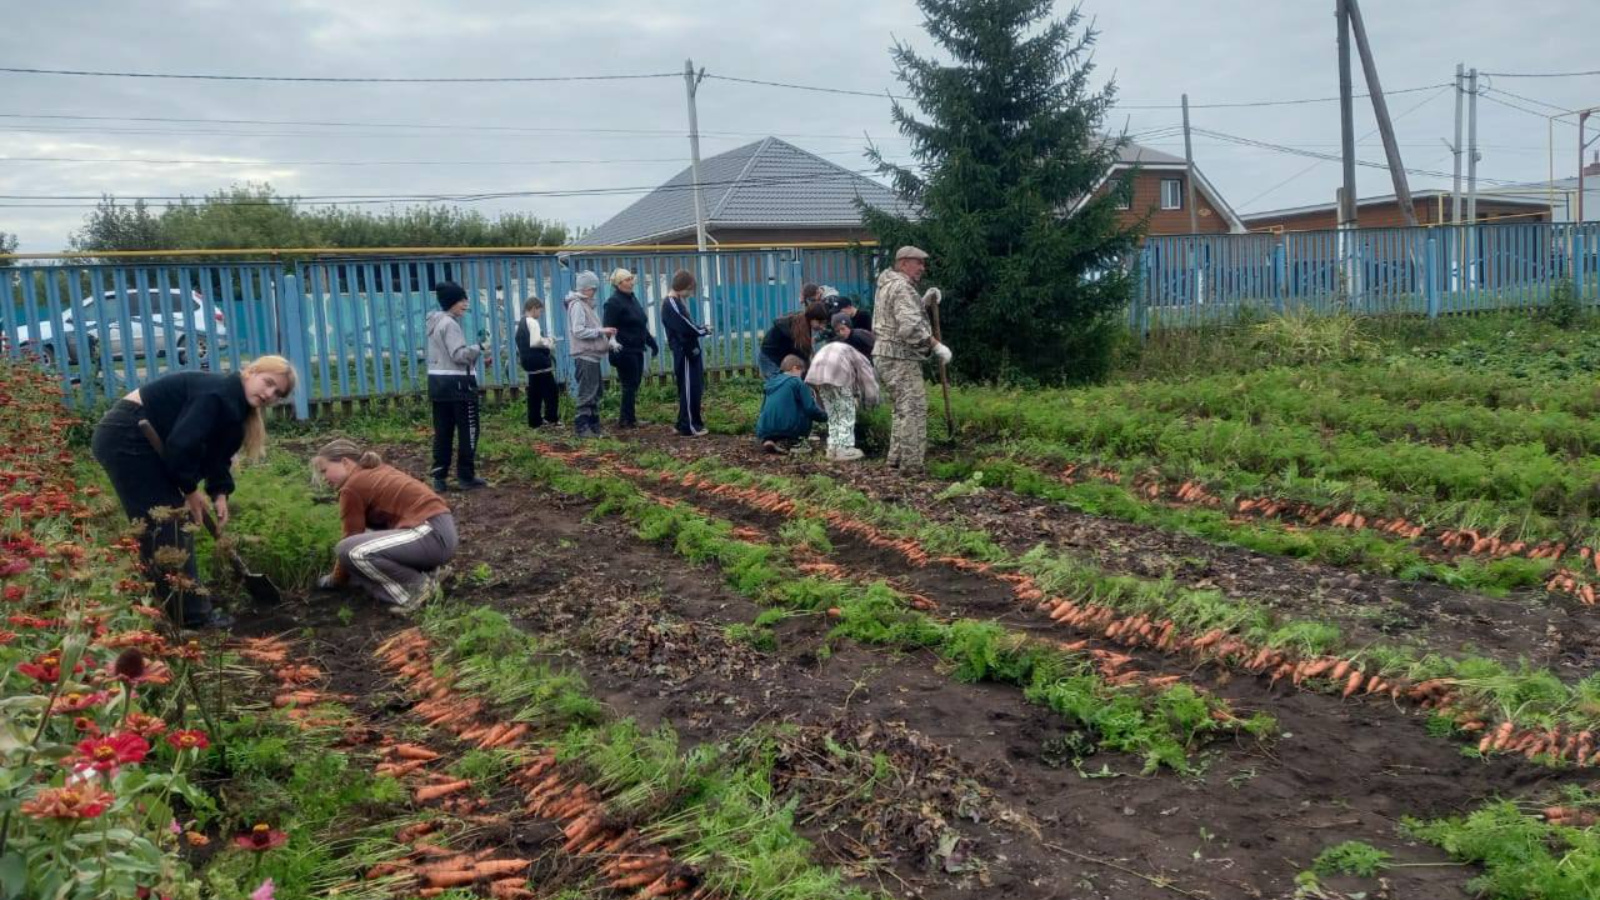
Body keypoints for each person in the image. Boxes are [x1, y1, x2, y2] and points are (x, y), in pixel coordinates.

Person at [90, 356, 297, 630]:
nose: (269, 394)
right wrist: (190, 490)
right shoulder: (218, 393)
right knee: (167, 523)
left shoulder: (235, 407)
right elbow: (182, 444)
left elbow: (217, 455)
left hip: (139, 436)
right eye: (268, 383)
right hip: (127, 434)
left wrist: (219, 492)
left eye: (277, 393)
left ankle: (166, 606)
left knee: (165, 523)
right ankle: (192, 616)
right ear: (251, 372)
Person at [311, 440, 457, 617]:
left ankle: (415, 588)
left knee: (348, 550)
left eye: (324, 470)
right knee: (366, 541)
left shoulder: (352, 486)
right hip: (440, 532)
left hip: (429, 535)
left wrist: (335, 580)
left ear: (345, 462)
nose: (324, 478)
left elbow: (350, 538)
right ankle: (430, 574)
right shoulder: (376, 471)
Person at [873, 246, 951, 473]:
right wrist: (936, 346)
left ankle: (896, 459)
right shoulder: (902, 288)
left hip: (885, 354)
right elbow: (909, 328)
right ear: (904, 263)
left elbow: (898, 315)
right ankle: (911, 465)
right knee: (913, 410)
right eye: (918, 263)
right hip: (900, 357)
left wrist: (923, 302)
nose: (922, 268)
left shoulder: (888, 285)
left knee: (901, 409)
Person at [426, 281, 488, 492]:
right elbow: (459, 355)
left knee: (443, 432)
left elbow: (445, 356)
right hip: (459, 386)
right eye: (462, 300)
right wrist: (479, 347)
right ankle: (465, 476)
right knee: (468, 430)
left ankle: (439, 477)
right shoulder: (450, 324)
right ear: (451, 301)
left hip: (438, 384)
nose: (465, 304)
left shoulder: (434, 322)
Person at [805, 319, 879, 462]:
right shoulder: (859, 356)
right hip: (838, 376)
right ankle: (845, 449)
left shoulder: (835, 346)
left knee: (833, 414)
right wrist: (872, 401)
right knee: (846, 412)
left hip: (817, 376)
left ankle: (832, 448)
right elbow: (868, 381)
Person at [602, 268, 658, 429]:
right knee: (629, 384)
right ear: (618, 284)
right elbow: (608, 327)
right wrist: (613, 345)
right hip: (623, 350)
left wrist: (651, 342)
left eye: (631, 279)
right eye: (627, 280)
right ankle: (626, 420)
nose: (631, 282)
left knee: (634, 383)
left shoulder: (632, 299)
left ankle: (629, 417)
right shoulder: (613, 303)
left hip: (637, 348)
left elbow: (640, 324)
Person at [565, 270, 618, 438]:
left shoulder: (585, 305)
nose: (594, 292)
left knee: (595, 391)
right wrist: (601, 331)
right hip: (585, 355)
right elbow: (578, 331)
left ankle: (594, 426)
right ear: (585, 288)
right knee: (587, 392)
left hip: (592, 355)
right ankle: (583, 427)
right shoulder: (578, 305)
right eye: (592, 289)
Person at [660, 269, 711, 437]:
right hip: (685, 351)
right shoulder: (671, 303)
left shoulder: (676, 301)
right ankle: (690, 426)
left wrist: (699, 329)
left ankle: (683, 422)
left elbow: (686, 325)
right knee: (690, 389)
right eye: (690, 289)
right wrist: (703, 330)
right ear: (684, 286)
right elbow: (684, 325)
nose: (690, 293)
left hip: (688, 350)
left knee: (691, 388)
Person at [756, 354, 828, 454]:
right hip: (787, 428)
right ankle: (795, 442)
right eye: (801, 372)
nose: (802, 376)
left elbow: (762, 409)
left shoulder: (770, 383)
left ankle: (769, 440)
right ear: (795, 368)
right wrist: (826, 417)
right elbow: (810, 408)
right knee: (805, 406)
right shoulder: (798, 382)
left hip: (764, 429)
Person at [515, 296, 560, 429]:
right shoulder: (532, 322)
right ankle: (551, 419)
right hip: (539, 361)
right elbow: (535, 342)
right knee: (551, 391)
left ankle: (534, 421)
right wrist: (549, 341)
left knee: (534, 392)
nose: (540, 314)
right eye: (540, 311)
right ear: (534, 308)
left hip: (527, 362)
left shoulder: (521, 323)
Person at [757, 301, 830, 379]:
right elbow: (801, 356)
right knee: (778, 384)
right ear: (812, 318)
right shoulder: (798, 329)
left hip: (780, 358)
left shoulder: (803, 324)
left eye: (824, 323)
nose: (822, 326)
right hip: (770, 359)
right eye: (820, 322)